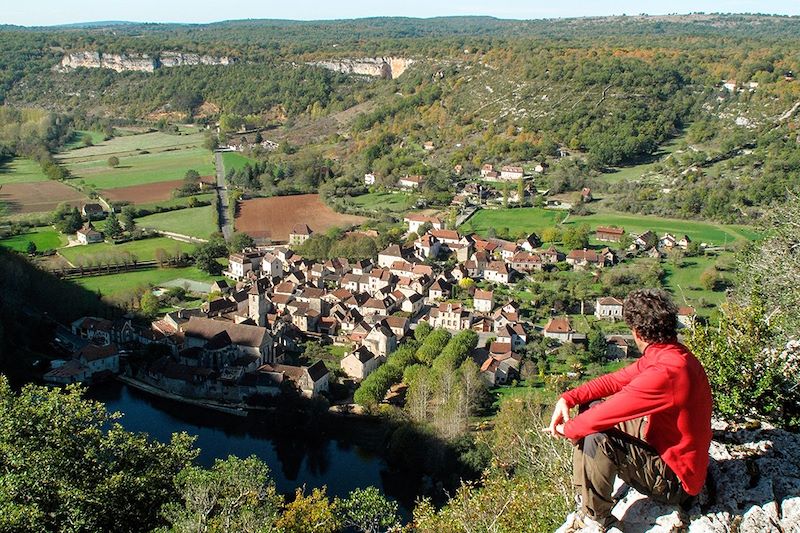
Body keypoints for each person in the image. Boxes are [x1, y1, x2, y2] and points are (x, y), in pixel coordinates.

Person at [546, 289, 713, 531]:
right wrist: (569, 398)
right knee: (590, 408)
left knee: (596, 436)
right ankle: (587, 489)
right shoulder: (672, 355)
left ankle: (596, 516)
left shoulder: (666, 373)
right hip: (668, 449)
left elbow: (606, 414)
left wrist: (566, 429)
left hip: (677, 482)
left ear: (637, 332)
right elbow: (615, 380)